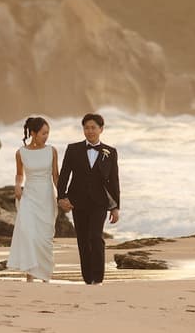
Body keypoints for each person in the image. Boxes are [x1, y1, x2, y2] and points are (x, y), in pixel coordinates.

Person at [57, 113, 120, 285]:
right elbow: (64, 175)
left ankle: (98, 278)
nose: (90, 131)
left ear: (101, 129)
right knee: (83, 240)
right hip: (77, 201)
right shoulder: (73, 149)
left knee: (95, 236)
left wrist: (115, 207)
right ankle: (87, 278)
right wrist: (61, 197)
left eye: (93, 128)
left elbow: (114, 181)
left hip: (100, 202)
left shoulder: (111, 152)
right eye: (86, 128)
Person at [6, 116, 59, 283]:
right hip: (29, 196)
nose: (46, 136)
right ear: (33, 133)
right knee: (29, 234)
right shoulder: (21, 152)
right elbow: (20, 174)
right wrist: (17, 185)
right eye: (43, 133)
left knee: (44, 237)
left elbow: (55, 176)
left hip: (46, 197)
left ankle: (45, 276)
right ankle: (30, 276)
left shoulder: (52, 151)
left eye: (48, 133)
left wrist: (63, 196)